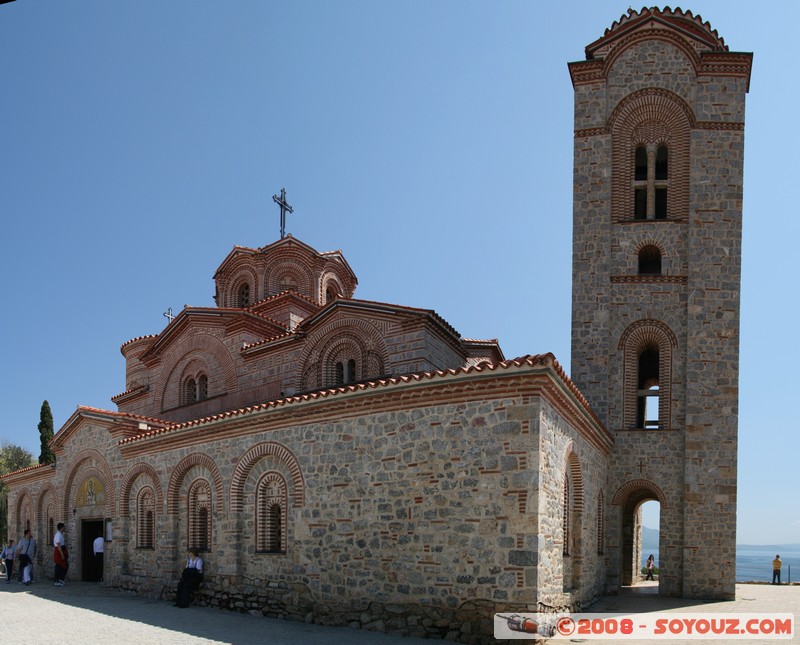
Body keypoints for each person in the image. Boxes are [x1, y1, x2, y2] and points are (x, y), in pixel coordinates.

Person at [53, 522, 68, 586]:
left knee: (64, 565)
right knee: (58, 565)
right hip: (59, 551)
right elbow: (58, 544)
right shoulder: (58, 535)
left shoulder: (60, 534)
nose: (65, 528)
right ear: (61, 528)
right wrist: (61, 554)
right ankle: (56, 581)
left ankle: (60, 579)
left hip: (61, 550)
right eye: (64, 527)